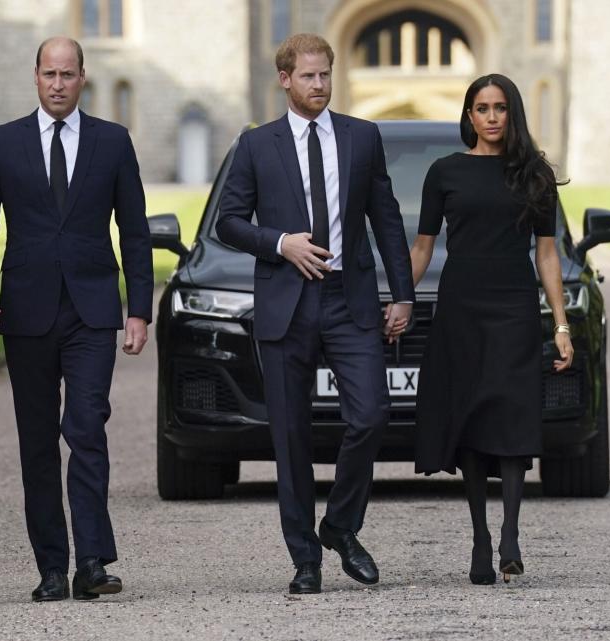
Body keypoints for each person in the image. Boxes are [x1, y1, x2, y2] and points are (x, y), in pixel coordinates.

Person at [216, 33, 414, 594]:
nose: (320, 85)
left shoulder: (362, 137)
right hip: (285, 303)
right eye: (308, 76)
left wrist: (400, 292)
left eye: (326, 74)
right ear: (285, 79)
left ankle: (340, 526)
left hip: (348, 301)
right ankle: (305, 559)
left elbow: (387, 218)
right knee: (291, 438)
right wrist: (281, 243)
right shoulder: (257, 145)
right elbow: (228, 222)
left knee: (372, 414)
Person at [0, 36, 153, 602]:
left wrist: (138, 308)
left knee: (87, 428)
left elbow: (135, 231)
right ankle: (50, 566)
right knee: (38, 441)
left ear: (83, 78)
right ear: (36, 77)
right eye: (50, 73)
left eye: (69, 74)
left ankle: (91, 561)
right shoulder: (3, 143)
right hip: (26, 311)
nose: (59, 83)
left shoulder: (113, 142)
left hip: (92, 310)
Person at [406, 73, 573, 585]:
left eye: (500, 107)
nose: (492, 116)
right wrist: (397, 299)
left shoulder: (535, 175)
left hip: (514, 307)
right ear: (470, 115)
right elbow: (423, 247)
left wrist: (561, 324)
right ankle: (480, 537)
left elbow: (547, 255)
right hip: (462, 308)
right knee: (473, 418)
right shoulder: (445, 172)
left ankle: (511, 535)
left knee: (512, 412)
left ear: (512, 112)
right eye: (482, 108)